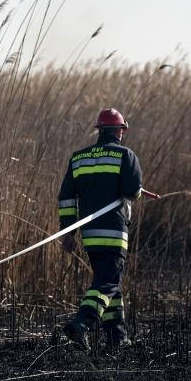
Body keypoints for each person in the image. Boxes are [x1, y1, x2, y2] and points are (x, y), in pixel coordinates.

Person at [57, 108, 143, 350]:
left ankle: (118, 337)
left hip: (89, 235)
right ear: (120, 131)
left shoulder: (79, 158)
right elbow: (132, 192)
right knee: (108, 283)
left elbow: (66, 197)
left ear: (99, 130)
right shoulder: (126, 155)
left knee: (108, 283)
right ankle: (81, 323)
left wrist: (68, 232)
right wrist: (137, 190)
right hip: (114, 233)